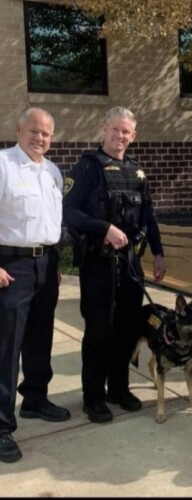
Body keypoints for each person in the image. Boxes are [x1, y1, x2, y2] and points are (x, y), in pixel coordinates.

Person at [62, 106, 165, 423]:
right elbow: (67, 211)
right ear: (104, 129)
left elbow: (148, 215)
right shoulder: (86, 168)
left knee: (127, 329)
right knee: (98, 331)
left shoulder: (136, 172)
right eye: (115, 129)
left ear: (132, 137)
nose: (120, 136)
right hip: (98, 263)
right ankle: (93, 397)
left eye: (126, 132)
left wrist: (158, 253)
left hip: (130, 263)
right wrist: (103, 228)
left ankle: (118, 389)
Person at [0, 107, 71, 464]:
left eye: (46, 134)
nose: (39, 138)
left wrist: (53, 263)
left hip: (46, 263)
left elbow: (51, 222)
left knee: (40, 337)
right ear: (18, 129)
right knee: (6, 346)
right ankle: (0, 425)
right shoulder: (3, 166)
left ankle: (36, 399)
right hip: (10, 266)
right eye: (33, 131)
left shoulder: (53, 172)